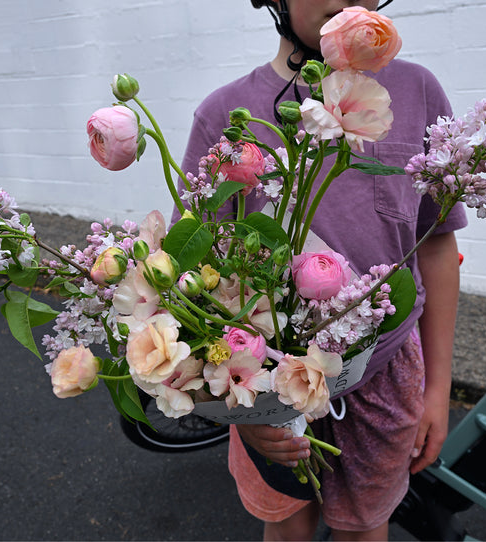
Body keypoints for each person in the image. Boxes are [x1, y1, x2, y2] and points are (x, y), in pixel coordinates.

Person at [177, 1, 467, 540]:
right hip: (267, 370)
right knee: (286, 521)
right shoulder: (227, 114)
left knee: (365, 526)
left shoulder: (416, 91)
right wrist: (240, 407)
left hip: (386, 368)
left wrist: (437, 388)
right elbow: (195, 272)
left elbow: (435, 244)